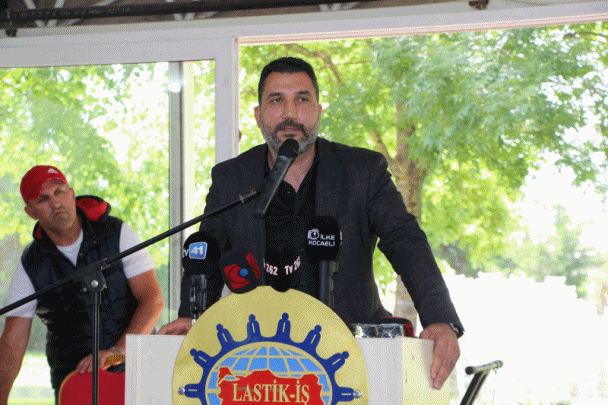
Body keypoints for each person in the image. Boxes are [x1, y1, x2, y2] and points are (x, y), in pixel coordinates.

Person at [159, 56, 463, 390]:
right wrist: (190, 315)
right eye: (277, 100)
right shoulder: (232, 178)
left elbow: (405, 241)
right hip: (258, 362)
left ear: (318, 111)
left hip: (351, 359)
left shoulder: (362, 171)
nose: (289, 113)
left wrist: (439, 318)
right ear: (258, 115)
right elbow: (206, 255)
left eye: (302, 100)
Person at [0, 165, 165, 404]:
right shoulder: (30, 264)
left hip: (138, 373)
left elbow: (153, 301)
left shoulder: (117, 232)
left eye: (59, 192)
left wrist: (117, 353)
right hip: (75, 383)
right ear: (30, 212)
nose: (55, 203)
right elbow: (12, 343)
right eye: (43, 199)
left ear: (72, 194)